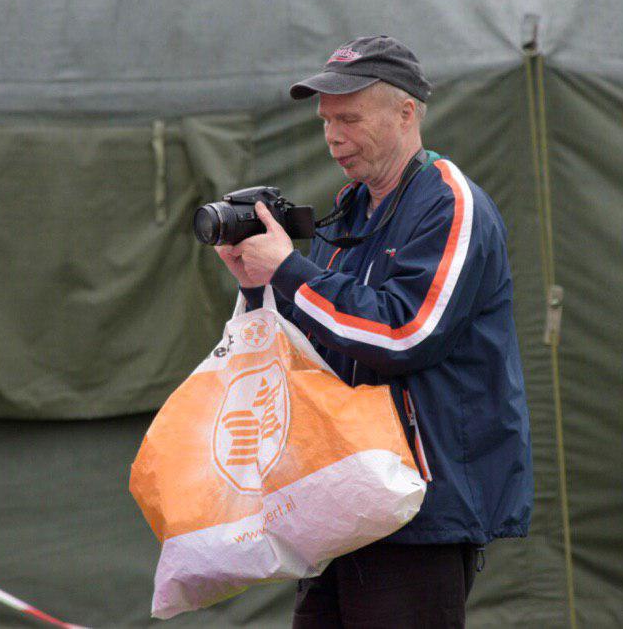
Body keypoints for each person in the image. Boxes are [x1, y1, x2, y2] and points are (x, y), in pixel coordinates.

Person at [213, 35, 533, 628]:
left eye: (350, 119)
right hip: (341, 499)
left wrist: (290, 270)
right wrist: (258, 284)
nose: (333, 137)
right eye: (325, 121)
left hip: (419, 508)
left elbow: (403, 335)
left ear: (406, 113)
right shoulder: (351, 208)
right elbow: (319, 342)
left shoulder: (451, 202)